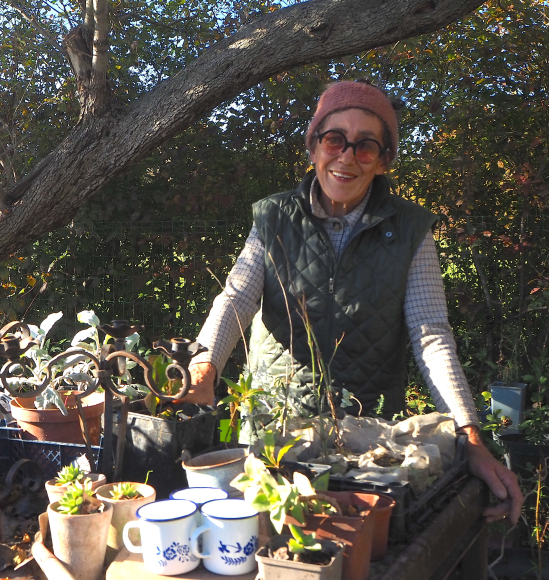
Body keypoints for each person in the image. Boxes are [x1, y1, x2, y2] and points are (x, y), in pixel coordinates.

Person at [184, 80, 523, 525]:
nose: (346, 156)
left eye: (365, 146)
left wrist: (469, 435)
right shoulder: (274, 217)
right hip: (273, 435)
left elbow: (431, 335)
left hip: (367, 449)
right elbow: (236, 299)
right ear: (314, 147)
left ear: (382, 162)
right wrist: (203, 369)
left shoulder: (411, 231)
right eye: (334, 140)